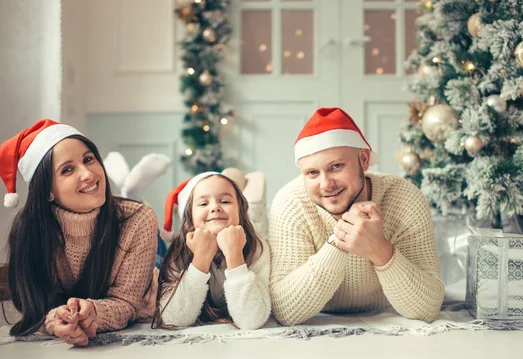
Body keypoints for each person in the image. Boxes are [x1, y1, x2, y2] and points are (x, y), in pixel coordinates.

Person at [268, 107, 444, 326]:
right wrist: (339, 241)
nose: (326, 184)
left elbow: (427, 309)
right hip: (319, 328)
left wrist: (380, 251)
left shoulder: (404, 197)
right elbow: (285, 310)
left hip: (389, 322)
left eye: (336, 166)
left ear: (363, 159)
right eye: (312, 173)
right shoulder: (290, 202)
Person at [0, 119, 158, 346]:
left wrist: (93, 313)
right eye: (67, 169)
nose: (87, 174)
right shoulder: (29, 230)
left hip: (148, 288)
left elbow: (127, 302)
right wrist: (57, 321)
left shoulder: (138, 219)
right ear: (47, 191)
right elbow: (30, 306)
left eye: (88, 159)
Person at [153, 172, 270, 330]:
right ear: (189, 215)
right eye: (203, 204)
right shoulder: (179, 249)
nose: (215, 207)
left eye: (225, 201)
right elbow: (174, 319)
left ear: (240, 210)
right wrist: (200, 259)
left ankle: (250, 191)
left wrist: (235, 256)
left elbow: (251, 321)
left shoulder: (257, 246)